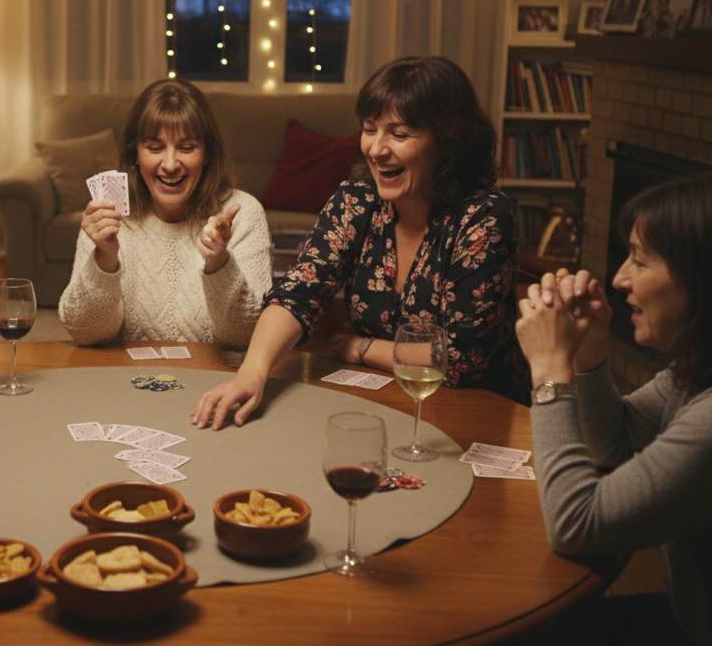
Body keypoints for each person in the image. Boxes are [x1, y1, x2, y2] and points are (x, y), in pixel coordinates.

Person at [516, 172, 712, 645]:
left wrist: (550, 370)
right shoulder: (711, 364)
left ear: (707, 282)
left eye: (641, 261)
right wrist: (588, 352)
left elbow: (576, 524)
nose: (619, 278)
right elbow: (616, 443)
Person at [194, 56, 528, 430]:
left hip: (478, 413)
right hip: (383, 405)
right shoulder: (356, 201)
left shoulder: (484, 216)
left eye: (399, 135)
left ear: (447, 142)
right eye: (370, 129)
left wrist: (363, 348)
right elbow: (298, 293)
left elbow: (462, 359)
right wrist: (252, 373)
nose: (376, 149)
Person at [58, 77, 271, 348]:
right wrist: (105, 258)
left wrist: (219, 263)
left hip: (213, 382)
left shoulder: (243, 214)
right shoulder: (108, 213)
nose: (170, 164)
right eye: (155, 148)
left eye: (186, 147)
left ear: (207, 153)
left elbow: (246, 338)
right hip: (125, 380)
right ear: (135, 153)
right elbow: (86, 333)